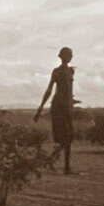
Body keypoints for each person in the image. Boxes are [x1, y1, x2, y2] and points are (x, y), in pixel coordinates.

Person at [34, 46, 78, 175]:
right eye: (67, 55)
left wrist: (72, 101)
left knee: (69, 136)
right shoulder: (57, 72)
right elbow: (49, 90)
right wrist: (40, 109)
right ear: (61, 56)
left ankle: (55, 161)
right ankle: (66, 166)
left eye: (71, 54)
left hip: (67, 107)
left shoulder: (71, 71)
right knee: (63, 137)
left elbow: (69, 90)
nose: (70, 57)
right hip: (58, 107)